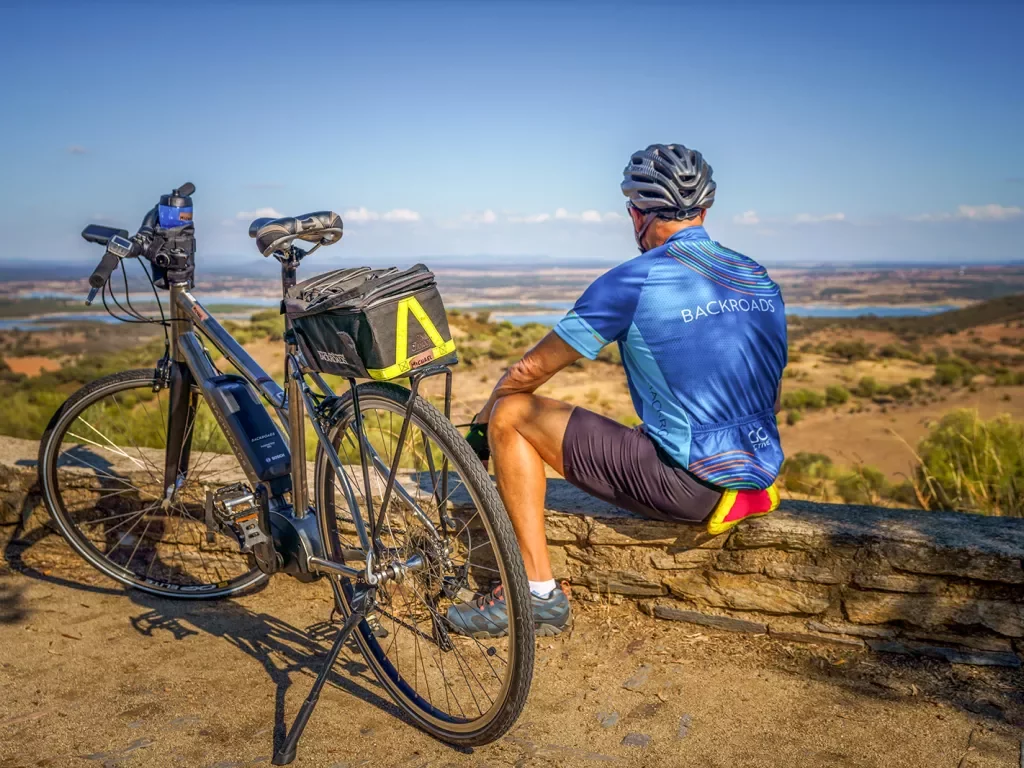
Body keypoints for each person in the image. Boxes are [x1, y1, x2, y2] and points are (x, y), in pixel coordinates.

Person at [447, 144, 787, 638]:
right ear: (705, 211)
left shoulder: (635, 280)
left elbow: (528, 371)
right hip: (756, 474)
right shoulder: (756, 276)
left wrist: (478, 430)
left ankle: (534, 594)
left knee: (512, 414)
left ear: (636, 213)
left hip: (690, 485)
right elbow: (770, 394)